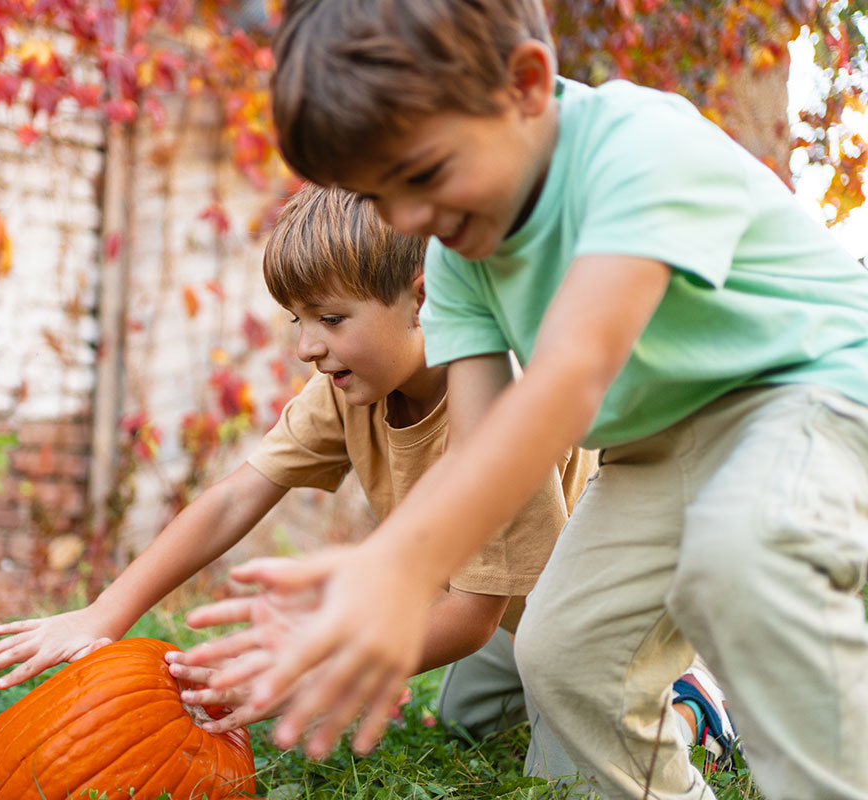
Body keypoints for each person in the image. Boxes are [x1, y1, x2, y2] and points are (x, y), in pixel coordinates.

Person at [174, 1, 868, 799]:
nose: (408, 220)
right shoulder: (462, 259)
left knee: (741, 552)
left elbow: (572, 375)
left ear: (527, 84)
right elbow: (484, 449)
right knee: (566, 657)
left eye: (423, 175)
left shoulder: (640, 149)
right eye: (381, 194)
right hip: (655, 446)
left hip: (807, 388)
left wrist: (397, 569)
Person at [0, 183, 737, 786]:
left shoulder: (494, 406)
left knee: (567, 749)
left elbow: (472, 616)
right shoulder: (347, 391)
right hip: (515, 606)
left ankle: (686, 700)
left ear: (422, 298)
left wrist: (304, 666)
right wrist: (108, 612)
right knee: (468, 715)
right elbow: (238, 495)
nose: (308, 346)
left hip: (579, 613)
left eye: (331, 318)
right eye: (298, 319)